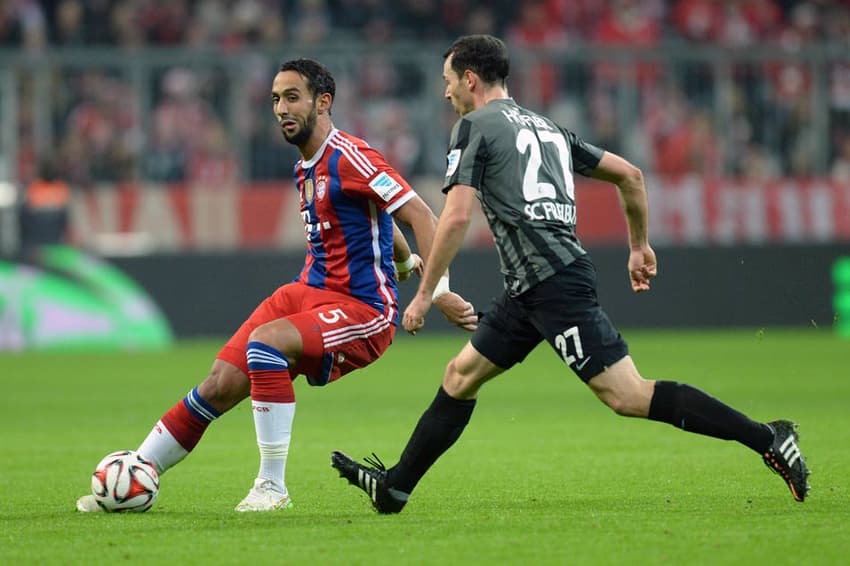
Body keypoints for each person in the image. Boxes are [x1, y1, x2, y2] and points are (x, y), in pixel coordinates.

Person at [331, 34, 810, 513]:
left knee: (626, 395)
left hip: (552, 282)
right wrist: (639, 244)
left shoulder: (475, 126)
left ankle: (768, 437)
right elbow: (631, 176)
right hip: (531, 286)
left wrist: (424, 294)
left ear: (470, 79)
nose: (446, 92)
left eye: (449, 81)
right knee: (460, 375)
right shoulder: (549, 128)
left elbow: (455, 217)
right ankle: (396, 488)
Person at [76, 58, 478, 513]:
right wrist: (404, 261)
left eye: (291, 97)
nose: (280, 109)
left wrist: (437, 291)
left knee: (265, 345)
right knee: (220, 382)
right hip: (307, 289)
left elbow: (419, 214)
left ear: (322, 102)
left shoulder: (351, 155)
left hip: (362, 308)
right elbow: (380, 218)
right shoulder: (305, 166)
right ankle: (135, 472)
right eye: (274, 99)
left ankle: (272, 487)